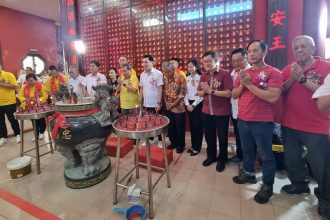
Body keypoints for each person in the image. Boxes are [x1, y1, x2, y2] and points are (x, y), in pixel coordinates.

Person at [281, 35, 330, 219]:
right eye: (296, 47)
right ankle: (299, 184)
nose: (299, 50)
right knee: (292, 159)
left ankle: (326, 200)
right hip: (290, 123)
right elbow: (281, 90)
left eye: (303, 46)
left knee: (322, 166)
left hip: (317, 126)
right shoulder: (288, 69)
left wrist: (301, 79)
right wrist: (292, 78)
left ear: (313, 48)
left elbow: (324, 96)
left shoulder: (326, 68)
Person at [231, 40, 282, 204]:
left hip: (262, 122)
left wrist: (250, 85)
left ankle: (267, 185)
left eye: (255, 50)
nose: (251, 54)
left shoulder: (273, 72)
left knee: (266, 156)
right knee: (247, 150)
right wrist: (243, 84)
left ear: (264, 52)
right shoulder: (243, 73)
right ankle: (248, 173)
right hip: (243, 119)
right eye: (249, 51)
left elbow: (273, 97)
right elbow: (234, 94)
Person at [197, 51, 232, 172]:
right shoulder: (203, 75)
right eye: (204, 61)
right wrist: (204, 91)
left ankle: (222, 159)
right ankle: (211, 156)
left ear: (216, 60)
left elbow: (229, 93)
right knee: (209, 136)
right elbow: (200, 93)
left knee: (222, 137)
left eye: (208, 61)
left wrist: (210, 90)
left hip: (221, 112)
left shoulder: (225, 74)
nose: (206, 63)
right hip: (206, 111)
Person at [228, 48, 251, 165]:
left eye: (239, 60)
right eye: (234, 61)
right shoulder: (232, 73)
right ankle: (240, 155)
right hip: (235, 109)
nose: (236, 63)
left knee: (247, 138)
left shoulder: (250, 71)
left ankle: (248, 162)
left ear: (246, 58)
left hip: (247, 110)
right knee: (238, 134)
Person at [163, 62, 186, 153]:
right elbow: (165, 91)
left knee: (179, 128)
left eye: (167, 72)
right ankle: (173, 143)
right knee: (171, 127)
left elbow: (182, 95)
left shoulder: (181, 78)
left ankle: (180, 145)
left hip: (179, 108)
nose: (166, 74)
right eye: (164, 72)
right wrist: (165, 102)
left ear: (173, 69)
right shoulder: (165, 77)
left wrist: (172, 104)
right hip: (169, 107)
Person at [18, 73, 48, 140]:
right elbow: (20, 96)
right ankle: (36, 133)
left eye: (31, 80)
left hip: (39, 106)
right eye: (28, 80)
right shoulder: (24, 87)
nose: (30, 82)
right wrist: (25, 99)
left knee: (41, 120)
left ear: (35, 80)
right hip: (29, 106)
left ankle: (42, 133)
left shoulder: (40, 86)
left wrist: (39, 100)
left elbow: (45, 96)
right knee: (33, 120)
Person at [184, 60, 203, 156]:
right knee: (192, 126)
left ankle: (197, 147)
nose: (190, 68)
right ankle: (193, 145)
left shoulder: (201, 77)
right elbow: (185, 93)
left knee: (198, 126)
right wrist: (187, 104)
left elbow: (201, 94)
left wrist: (193, 105)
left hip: (197, 104)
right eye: (188, 67)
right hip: (189, 104)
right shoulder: (186, 78)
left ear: (196, 66)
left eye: (192, 66)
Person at [0, 64, 20, 146]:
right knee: (0, 122)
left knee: (12, 120)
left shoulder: (9, 75)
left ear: (0, 66)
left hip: (9, 102)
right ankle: (3, 137)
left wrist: (2, 84)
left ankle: (17, 134)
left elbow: (15, 86)